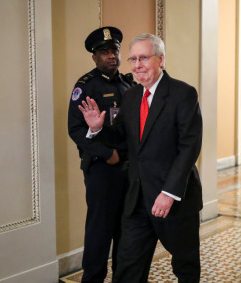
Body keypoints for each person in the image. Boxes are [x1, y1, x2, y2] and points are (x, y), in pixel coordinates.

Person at [79, 33, 203, 282]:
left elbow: (189, 148)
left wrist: (168, 194)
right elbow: (122, 138)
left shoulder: (183, 94)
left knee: (185, 267)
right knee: (128, 267)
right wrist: (97, 129)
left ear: (161, 59)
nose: (137, 65)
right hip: (137, 200)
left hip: (173, 200)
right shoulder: (132, 96)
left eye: (144, 58)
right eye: (133, 59)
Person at [68, 26, 134, 283]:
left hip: (130, 168)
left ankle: (123, 277)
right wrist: (108, 154)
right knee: (99, 230)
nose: (111, 56)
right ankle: (93, 279)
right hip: (102, 169)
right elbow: (75, 130)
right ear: (94, 57)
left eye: (114, 50)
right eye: (104, 52)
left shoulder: (128, 84)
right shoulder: (86, 86)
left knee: (126, 229)